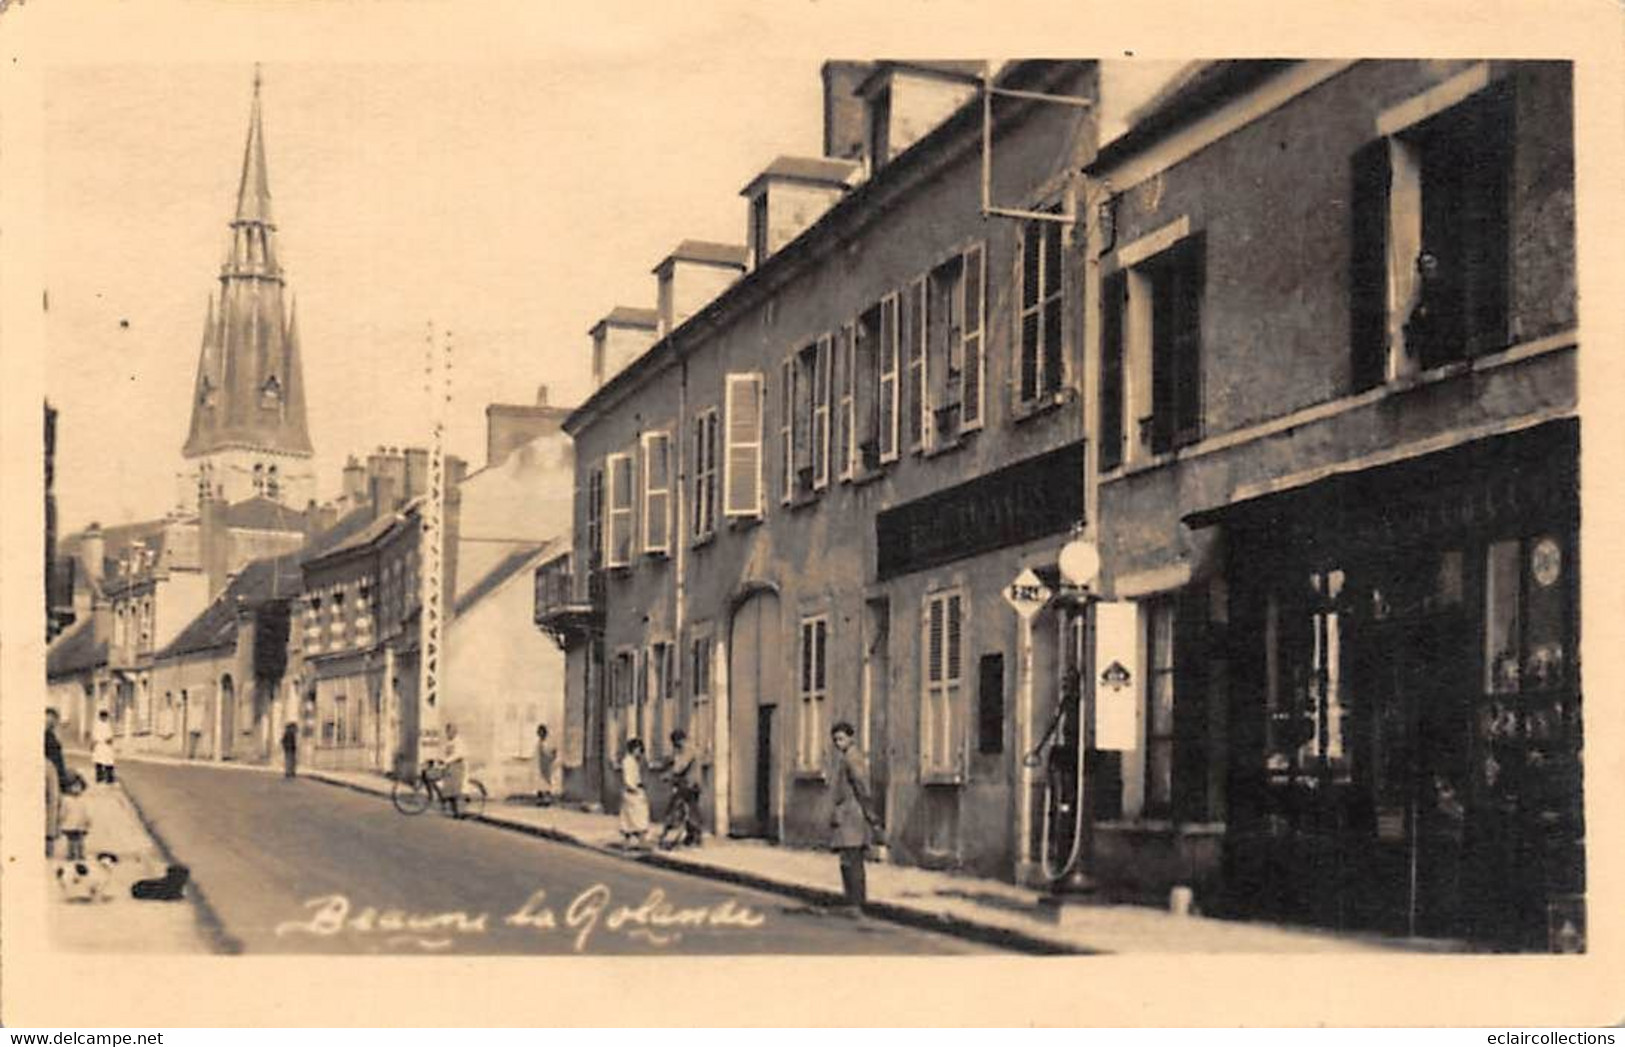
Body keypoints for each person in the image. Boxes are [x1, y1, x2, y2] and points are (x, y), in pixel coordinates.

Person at [828, 721, 883, 917]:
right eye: (835, 739)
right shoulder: (846, 758)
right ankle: (851, 902)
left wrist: (871, 816)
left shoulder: (852, 758)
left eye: (841, 738)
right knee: (847, 860)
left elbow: (862, 788)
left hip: (853, 816)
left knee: (853, 860)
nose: (837, 742)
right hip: (847, 815)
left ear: (851, 738)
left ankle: (856, 904)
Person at [658, 729, 702, 847]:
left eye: (675, 743)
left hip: (689, 784)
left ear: (680, 740)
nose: (675, 746)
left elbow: (680, 766)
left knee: (686, 809)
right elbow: (674, 761)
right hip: (686, 784)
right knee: (687, 809)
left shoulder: (688, 750)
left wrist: (668, 775)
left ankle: (694, 837)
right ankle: (691, 836)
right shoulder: (683, 750)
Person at [619, 738, 650, 848]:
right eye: (638, 749)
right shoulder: (627, 761)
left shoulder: (634, 761)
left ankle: (634, 840)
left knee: (635, 816)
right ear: (633, 749)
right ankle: (635, 840)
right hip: (632, 792)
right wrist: (634, 788)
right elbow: (628, 779)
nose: (639, 752)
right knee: (636, 816)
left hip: (635, 791)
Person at [45, 709, 68, 858]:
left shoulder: (51, 735)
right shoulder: (46, 736)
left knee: (52, 809)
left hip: (52, 772)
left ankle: (48, 846)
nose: (52, 723)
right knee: (51, 808)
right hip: (48, 771)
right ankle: (47, 845)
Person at [58, 774, 91, 861]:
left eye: (78, 786)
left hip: (80, 823)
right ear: (68, 788)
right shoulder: (66, 799)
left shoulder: (83, 800)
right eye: (73, 786)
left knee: (80, 840)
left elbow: (86, 811)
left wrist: (87, 820)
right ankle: (71, 854)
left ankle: (80, 854)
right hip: (70, 823)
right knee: (71, 840)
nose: (76, 789)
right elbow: (63, 811)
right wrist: (61, 819)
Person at [439, 723, 468, 817]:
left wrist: (447, 761)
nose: (448, 734)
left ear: (454, 732)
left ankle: (459, 811)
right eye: (447, 732)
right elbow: (445, 754)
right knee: (449, 789)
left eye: (450, 732)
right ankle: (454, 810)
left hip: (458, 766)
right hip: (450, 766)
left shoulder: (458, 742)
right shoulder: (449, 742)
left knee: (456, 789)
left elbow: (458, 754)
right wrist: (441, 760)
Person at [534, 724, 560, 805]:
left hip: (545, 766)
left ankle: (544, 800)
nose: (541, 735)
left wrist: (552, 755)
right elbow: (542, 754)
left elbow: (547, 754)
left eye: (543, 733)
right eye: (540, 733)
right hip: (542, 766)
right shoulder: (540, 743)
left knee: (545, 782)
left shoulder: (544, 743)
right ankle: (542, 800)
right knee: (542, 783)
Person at [92, 709, 116, 785]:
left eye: (105, 717)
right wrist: (93, 744)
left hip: (107, 746)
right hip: (99, 745)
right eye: (103, 717)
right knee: (99, 762)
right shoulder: (97, 725)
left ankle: (109, 778)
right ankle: (99, 777)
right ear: (100, 717)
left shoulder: (108, 725)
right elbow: (95, 736)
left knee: (109, 762)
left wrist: (110, 739)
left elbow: (111, 735)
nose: (104, 718)